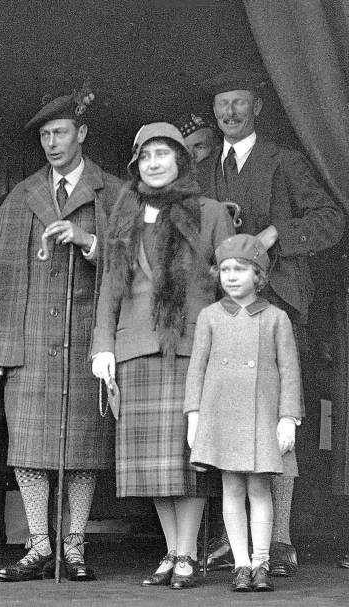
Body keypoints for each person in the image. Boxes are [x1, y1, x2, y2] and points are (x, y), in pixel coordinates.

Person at [0, 86, 121, 582]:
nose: (52, 143)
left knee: (82, 451)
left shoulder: (112, 192)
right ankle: (38, 545)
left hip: (87, 343)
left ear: (83, 133)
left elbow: (137, 261)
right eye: (46, 136)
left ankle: (73, 547)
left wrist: (90, 242)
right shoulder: (24, 194)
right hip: (30, 345)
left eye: (60, 132)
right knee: (28, 448)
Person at [195, 69, 345, 576]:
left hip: (278, 310)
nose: (229, 113)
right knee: (226, 427)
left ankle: (278, 542)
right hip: (220, 313)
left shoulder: (285, 161)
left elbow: (331, 219)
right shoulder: (204, 167)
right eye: (222, 105)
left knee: (277, 427)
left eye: (238, 103)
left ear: (257, 107)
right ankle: (233, 544)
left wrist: (278, 233)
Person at [91, 122, 233, 589]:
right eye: (145, 156)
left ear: (180, 161)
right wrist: (103, 347)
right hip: (134, 349)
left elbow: (235, 281)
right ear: (136, 165)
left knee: (184, 460)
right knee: (153, 465)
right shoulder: (123, 213)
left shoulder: (210, 212)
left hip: (190, 346)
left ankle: (187, 553)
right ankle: (172, 552)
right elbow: (110, 285)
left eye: (162, 154)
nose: (153, 163)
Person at [185, 233, 302, 592]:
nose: (231, 276)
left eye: (241, 269)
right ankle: (240, 564)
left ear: (259, 276)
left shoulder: (276, 318)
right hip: (222, 415)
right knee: (232, 488)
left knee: (260, 489)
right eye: (225, 269)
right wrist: (194, 415)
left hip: (262, 415)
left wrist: (288, 417)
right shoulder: (210, 316)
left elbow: (290, 371)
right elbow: (197, 370)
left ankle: (262, 562)